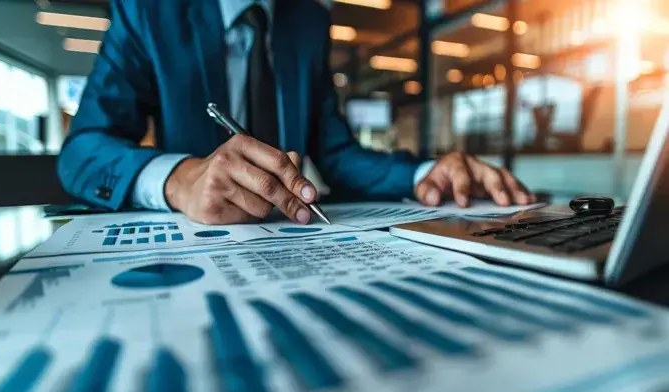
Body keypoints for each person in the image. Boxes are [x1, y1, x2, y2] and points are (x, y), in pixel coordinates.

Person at [57, 0, 535, 225]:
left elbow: (337, 153)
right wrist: (179, 179)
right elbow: (82, 151)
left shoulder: (307, 20)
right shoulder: (148, 11)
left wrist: (430, 173)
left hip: (293, 241)